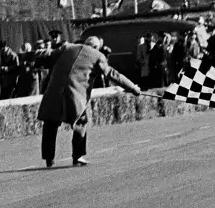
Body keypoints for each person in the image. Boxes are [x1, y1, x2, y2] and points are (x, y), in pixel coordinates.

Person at [36, 36, 140, 168]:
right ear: (97, 47)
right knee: (81, 121)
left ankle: (49, 158)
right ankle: (78, 156)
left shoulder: (67, 47)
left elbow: (47, 55)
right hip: (75, 94)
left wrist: (26, 56)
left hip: (54, 92)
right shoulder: (98, 56)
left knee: (50, 123)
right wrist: (132, 87)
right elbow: (112, 74)